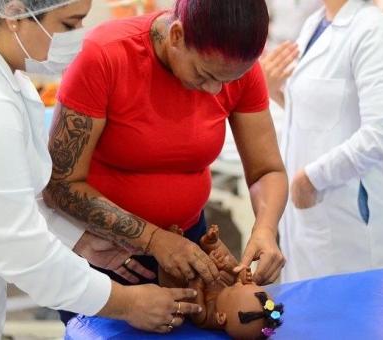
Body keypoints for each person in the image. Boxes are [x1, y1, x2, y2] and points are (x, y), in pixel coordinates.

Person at [0, 0, 203, 338]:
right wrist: (127, 302)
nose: (78, 37)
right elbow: (17, 247)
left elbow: (9, 189)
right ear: (13, 14)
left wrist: (76, 239)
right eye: (69, 25)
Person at [44, 0, 288, 323]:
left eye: (225, 82)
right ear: (176, 36)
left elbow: (266, 170)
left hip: (189, 245)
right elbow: (59, 184)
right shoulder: (104, 57)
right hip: (105, 254)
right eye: (203, 75)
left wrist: (266, 228)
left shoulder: (234, 67)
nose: (214, 90)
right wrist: (152, 239)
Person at [263, 0, 383, 282]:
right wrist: (273, 88)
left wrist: (310, 179)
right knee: (309, 312)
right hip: (309, 216)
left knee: (352, 317)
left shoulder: (373, 28)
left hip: (348, 216)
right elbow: (314, 114)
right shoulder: (315, 24)